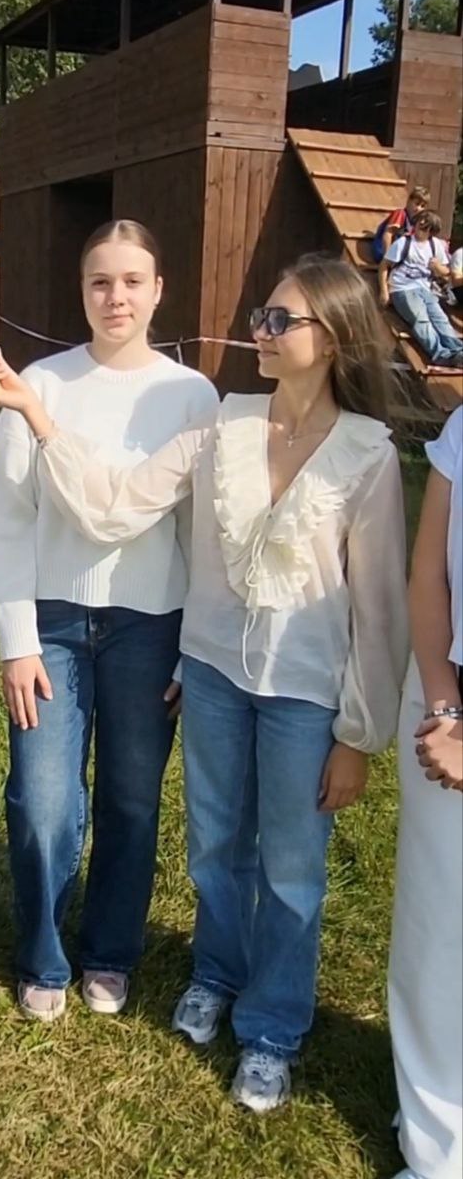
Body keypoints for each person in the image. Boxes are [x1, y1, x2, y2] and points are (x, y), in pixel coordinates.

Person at [0, 253, 409, 1108]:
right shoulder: (224, 425)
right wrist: (38, 416)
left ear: (331, 338)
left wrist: (359, 735)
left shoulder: (367, 456)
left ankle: (271, 1029)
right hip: (209, 676)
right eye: (261, 316)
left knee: (291, 870)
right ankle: (215, 975)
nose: (261, 332)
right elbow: (114, 506)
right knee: (214, 849)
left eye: (279, 320)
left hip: (304, 694)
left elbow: (380, 610)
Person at [0, 219, 219, 1023]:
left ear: (158, 291)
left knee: (130, 799)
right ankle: (43, 954)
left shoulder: (190, 397)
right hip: (51, 624)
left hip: (150, 628)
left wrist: (189, 649)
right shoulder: (39, 385)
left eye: (130, 281)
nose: (115, 297)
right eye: (99, 281)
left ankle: (110, 951)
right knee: (42, 800)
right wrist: (16, 641)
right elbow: (8, 523)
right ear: (81, 290)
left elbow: (200, 538)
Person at [389, 405, 462, 1179]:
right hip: (444, 701)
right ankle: (436, 1144)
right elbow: (427, 575)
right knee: (436, 934)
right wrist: (445, 707)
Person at [379, 211, 463, 370]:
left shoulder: (435, 245)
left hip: (425, 289)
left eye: (425, 226)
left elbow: (446, 272)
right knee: (421, 319)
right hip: (402, 289)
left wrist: (438, 267)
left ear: (431, 231)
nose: (421, 227)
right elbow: (384, 266)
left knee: (440, 319)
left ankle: (458, 351)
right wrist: (384, 290)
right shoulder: (403, 243)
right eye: (420, 223)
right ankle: (440, 354)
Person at [372, 186, 432, 263]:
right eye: (416, 204)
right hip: (383, 249)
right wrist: (387, 257)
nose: (418, 208)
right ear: (409, 201)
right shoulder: (400, 214)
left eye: (422, 206)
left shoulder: (416, 222)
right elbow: (388, 234)